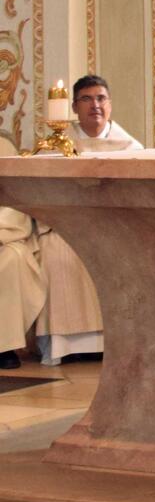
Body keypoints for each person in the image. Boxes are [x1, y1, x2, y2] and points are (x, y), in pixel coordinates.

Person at [37, 75, 143, 366]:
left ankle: (116, 342)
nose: (95, 105)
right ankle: (62, 345)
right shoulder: (55, 146)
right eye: (86, 99)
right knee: (53, 253)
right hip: (65, 226)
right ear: (73, 107)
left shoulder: (131, 149)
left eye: (101, 98)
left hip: (112, 229)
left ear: (110, 105)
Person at [0, 137, 46, 370]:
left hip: (4, 235)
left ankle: (4, 346)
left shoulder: (3, 148)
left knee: (13, 258)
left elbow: (15, 202)